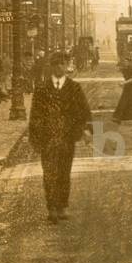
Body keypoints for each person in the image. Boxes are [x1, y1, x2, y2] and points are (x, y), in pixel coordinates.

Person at [28, 52, 92, 223]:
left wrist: (86, 130)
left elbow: (83, 111)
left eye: (62, 64)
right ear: (51, 66)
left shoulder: (74, 88)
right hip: (47, 138)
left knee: (64, 172)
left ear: (67, 66)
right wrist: (35, 139)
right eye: (56, 64)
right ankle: (52, 208)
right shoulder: (41, 89)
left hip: (66, 138)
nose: (59, 67)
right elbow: (35, 115)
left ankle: (62, 206)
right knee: (49, 173)